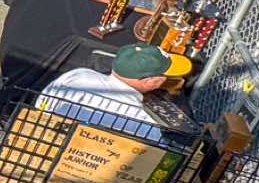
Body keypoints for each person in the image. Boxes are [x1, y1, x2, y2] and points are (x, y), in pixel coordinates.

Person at [39, 42, 190, 143]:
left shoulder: (77, 75)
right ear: (151, 81)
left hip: (38, 139)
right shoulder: (140, 119)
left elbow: (41, 104)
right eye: (166, 76)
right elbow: (156, 156)